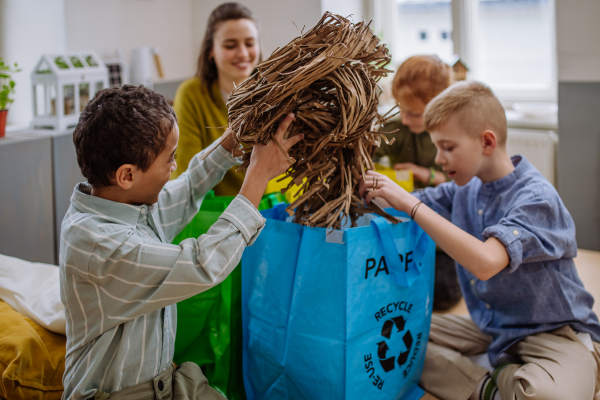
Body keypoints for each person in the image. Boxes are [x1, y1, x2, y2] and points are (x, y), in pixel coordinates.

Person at [361, 81, 600, 400]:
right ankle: (497, 382)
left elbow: (487, 262)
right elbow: (408, 199)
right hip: (493, 329)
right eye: (436, 147)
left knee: (552, 397)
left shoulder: (536, 198)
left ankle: (490, 377)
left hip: (555, 333)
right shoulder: (464, 188)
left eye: (447, 147)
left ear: (487, 142)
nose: (439, 159)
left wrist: (410, 205)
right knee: (380, 336)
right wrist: (364, 187)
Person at [60, 85, 302, 399]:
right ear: (127, 175)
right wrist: (258, 175)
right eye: (169, 159)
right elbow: (202, 264)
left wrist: (231, 140)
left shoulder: (128, 203)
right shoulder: (97, 244)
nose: (174, 167)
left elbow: (188, 188)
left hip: (164, 383)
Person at [377, 55, 461, 311]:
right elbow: (370, 151)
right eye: (401, 109)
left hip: (442, 235)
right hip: (403, 227)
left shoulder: (453, 133)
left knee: (443, 295)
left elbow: (464, 181)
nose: (404, 119)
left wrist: (424, 174)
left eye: (413, 113)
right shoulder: (397, 127)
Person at [171, 2, 260, 195]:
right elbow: (184, 176)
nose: (243, 53)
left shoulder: (276, 92)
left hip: (276, 210)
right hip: (217, 215)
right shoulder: (192, 95)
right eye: (230, 45)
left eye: (250, 43)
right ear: (211, 50)